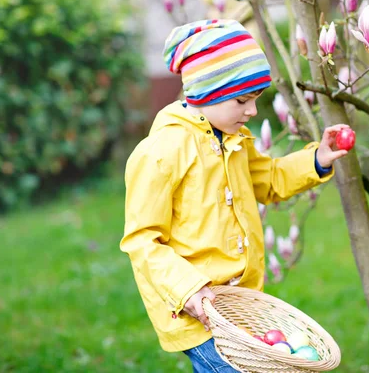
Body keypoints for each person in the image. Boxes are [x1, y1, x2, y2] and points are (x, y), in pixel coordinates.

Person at [120, 19, 350, 372]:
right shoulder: (161, 153)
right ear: (204, 94)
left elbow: (269, 180)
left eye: (256, 100)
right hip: (196, 311)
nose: (253, 111)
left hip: (240, 306)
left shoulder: (234, 141)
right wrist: (189, 290)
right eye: (242, 100)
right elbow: (143, 241)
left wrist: (316, 159)